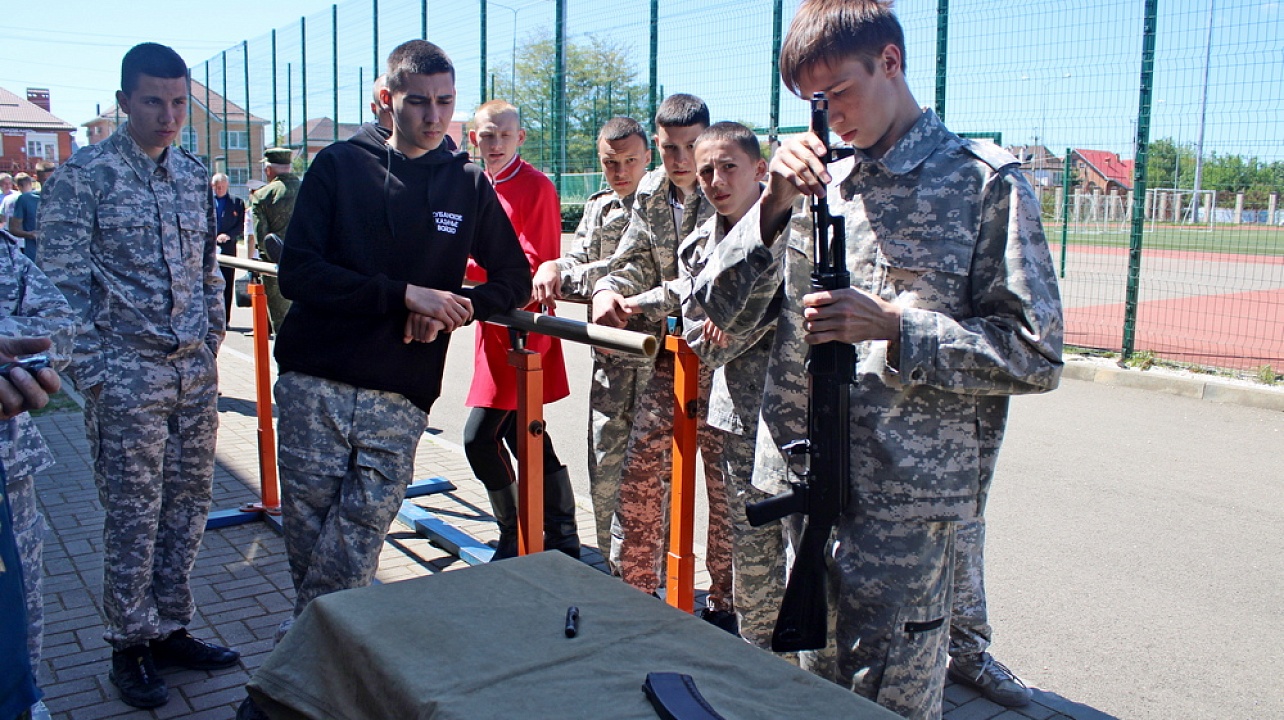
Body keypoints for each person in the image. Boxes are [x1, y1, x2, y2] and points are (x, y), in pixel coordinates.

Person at [690, 1, 1064, 716]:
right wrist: (769, 204)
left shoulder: (982, 183)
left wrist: (897, 328)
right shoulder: (810, 180)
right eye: (810, 103)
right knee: (794, 692)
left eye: (837, 93)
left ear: (890, 61)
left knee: (887, 704)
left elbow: (1036, 352)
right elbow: (719, 308)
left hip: (904, 515)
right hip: (800, 490)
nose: (825, 116)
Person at [267, 37, 529, 642]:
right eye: (418, 103)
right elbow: (300, 272)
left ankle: (287, 678)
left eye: (445, 102)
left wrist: (453, 310)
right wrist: (405, 295)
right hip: (316, 386)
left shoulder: (466, 183)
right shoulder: (338, 165)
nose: (434, 117)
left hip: (399, 396)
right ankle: (307, 679)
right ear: (386, 100)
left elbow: (513, 278)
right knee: (310, 552)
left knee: (352, 555)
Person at [38, 42, 238, 709]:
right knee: (133, 515)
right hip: (126, 373)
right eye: (153, 101)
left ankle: (170, 627)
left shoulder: (188, 174)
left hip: (191, 375)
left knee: (187, 510)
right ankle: (130, 643)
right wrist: (94, 377)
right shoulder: (84, 177)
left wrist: (212, 342)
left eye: (179, 102)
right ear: (124, 101)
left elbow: (210, 267)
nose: (168, 115)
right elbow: (62, 290)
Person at [590, 95, 733, 629]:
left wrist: (639, 301)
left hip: (727, 367)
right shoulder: (652, 193)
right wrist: (608, 289)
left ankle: (725, 602)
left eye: (691, 147)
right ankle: (636, 593)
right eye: (671, 148)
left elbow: (709, 276)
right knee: (642, 477)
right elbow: (630, 260)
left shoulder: (729, 187)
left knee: (726, 492)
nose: (680, 160)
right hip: (671, 363)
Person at [677, 122, 786, 648]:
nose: (715, 180)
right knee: (753, 549)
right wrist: (757, 316)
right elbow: (703, 336)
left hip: (805, 410)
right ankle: (760, 658)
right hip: (741, 416)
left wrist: (734, 319)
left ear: (760, 170)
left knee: (815, 548)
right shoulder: (699, 246)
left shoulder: (800, 231)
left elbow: (741, 321)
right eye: (705, 172)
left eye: (728, 167)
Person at [531, 116, 652, 573]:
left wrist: (567, 276)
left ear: (647, 158)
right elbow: (580, 256)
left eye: (629, 161)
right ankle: (615, 570)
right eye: (609, 162)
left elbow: (624, 272)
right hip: (609, 366)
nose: (620, 171)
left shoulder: (661, 207)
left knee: (650, 481)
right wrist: (553, 265)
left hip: (655, 365)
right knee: (604, 471)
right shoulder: (600, 207)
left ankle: (649, 578)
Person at [463, 100, 578, 559]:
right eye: (486, 136)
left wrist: (461, 270)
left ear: (520, 138)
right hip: (489, 328)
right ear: (474, 139)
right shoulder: (475, 184)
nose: (494, 145)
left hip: (519, 331)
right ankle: (557, 534)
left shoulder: (536, 187)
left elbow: (535, 266)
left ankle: (520, 535)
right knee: (520, 434)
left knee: (479, 439)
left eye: (503, 136)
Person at [0, 232, 74, 720]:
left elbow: (59, 326)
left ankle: (23, 697)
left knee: (17, 612)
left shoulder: (3, 253)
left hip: (7, 470)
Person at [249, 147, 299, 334]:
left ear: (269, 170)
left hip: (276, 268)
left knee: (283, 327)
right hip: (312, 266)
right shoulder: (311, 189)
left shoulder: (262, 196)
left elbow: (262, 239)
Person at [211, 173, 247, 323]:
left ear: (227, 186)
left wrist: (229, 236)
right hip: (210, 248)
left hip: (228, 248)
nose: (219, 190)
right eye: (217, 187)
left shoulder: (237, 203)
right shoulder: (206, 202)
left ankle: (225, 319)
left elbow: (240, 225)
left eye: (222, 187)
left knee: (227, 283)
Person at [7, 173, 39, 263]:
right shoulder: (21, 199)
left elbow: (3, 220)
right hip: (30, 252)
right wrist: (30, 234)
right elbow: (12, 227)